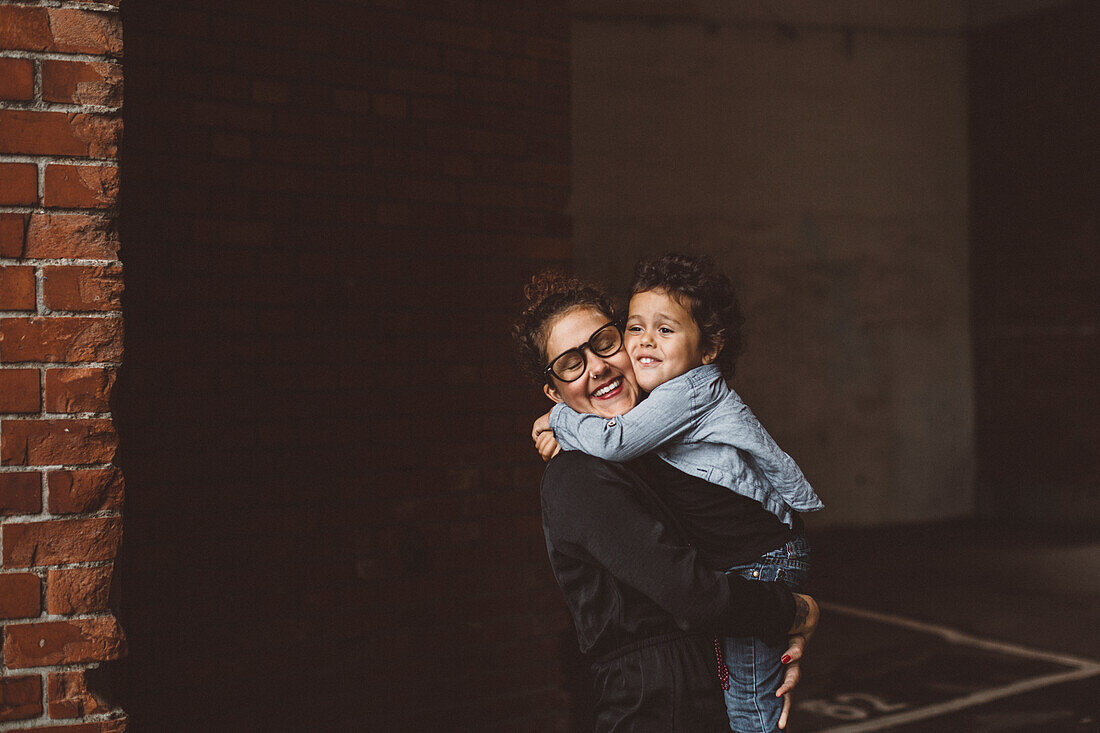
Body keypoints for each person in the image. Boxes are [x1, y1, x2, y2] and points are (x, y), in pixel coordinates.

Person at [514, 270, 818, 731]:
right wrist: (797, 611)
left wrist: (769, 649)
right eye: (570, 363)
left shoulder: (663, 454)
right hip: (654, 710)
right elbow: (696, 595)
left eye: (604, 342)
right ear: (555, 393)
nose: (595, 366)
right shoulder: (578, 476)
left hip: (700, 693)